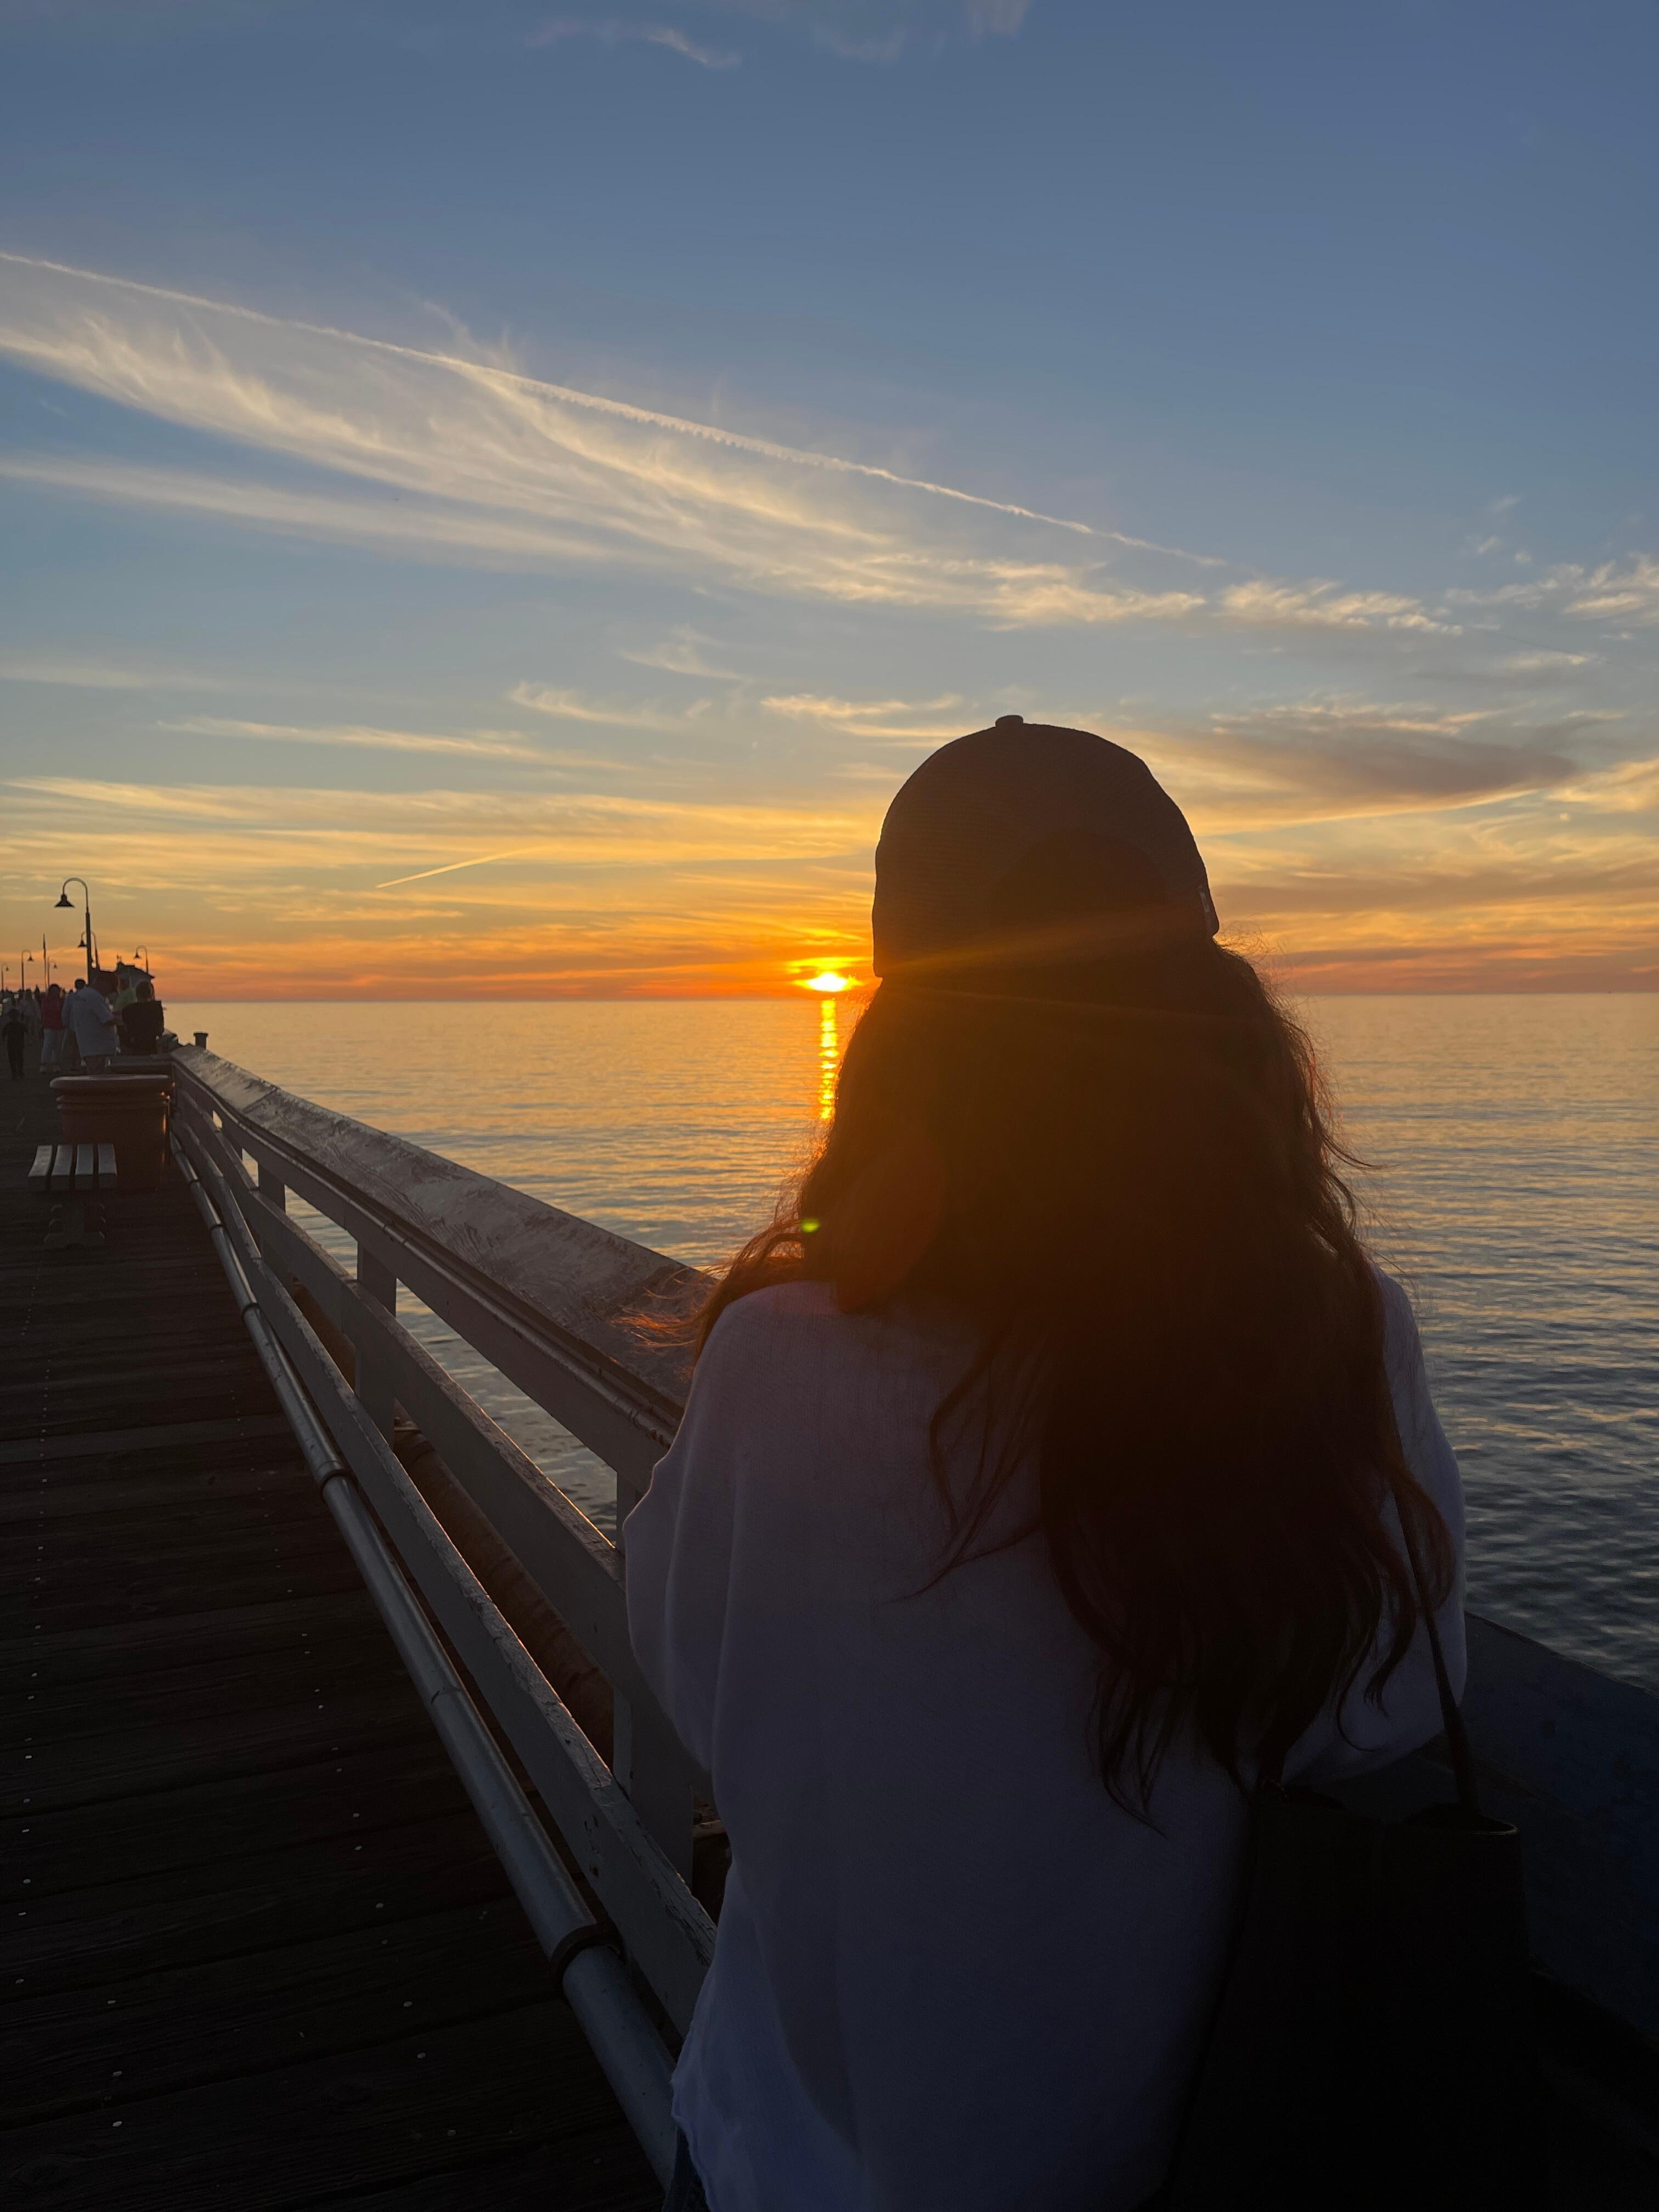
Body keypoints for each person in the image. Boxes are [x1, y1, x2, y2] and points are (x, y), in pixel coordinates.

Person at [625, 717, 1466, 2212]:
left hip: (800, 2158)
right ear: (1215, 1022)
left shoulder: (790, 1361)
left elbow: (700, 1681)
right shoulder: (1332, 1347)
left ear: (913, 1037)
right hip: (1168, 2156)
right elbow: (1390, 1709)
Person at [64, 977, 120, 1073]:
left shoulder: (81, 995)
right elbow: (107, 1020)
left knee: (93, 1077)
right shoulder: (95, 997)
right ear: (104, 984)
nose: (110, 993)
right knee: (100, 1081)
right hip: (100, 1048)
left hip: (88, 1046)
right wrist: (125, 1020)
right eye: (111, 989)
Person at [120, 978, 166, 1056]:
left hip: (134, 1048)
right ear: (151, 994)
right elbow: (160, 1030)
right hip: (152, 1047)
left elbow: (125, 1031)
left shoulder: (127, 1010)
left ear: (136, 993)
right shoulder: (156, 1008)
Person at [39, 982, 67, 1072]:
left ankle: (56, 1064)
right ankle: (43, 1064)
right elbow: (44, 1013)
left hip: (60, 1025)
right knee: (48, 1045)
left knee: (58, 1046)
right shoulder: (47, 1001)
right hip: (49, 1026)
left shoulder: (62, 1001)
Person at [1, 995, 26, 1082]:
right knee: (17, 1059)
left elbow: (3, 1035)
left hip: (14, 1044)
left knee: (15, 1059)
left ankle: (17, 1073)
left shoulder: (9, 1025)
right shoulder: (19, 1025)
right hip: (16, 1044)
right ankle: (18, 1073)